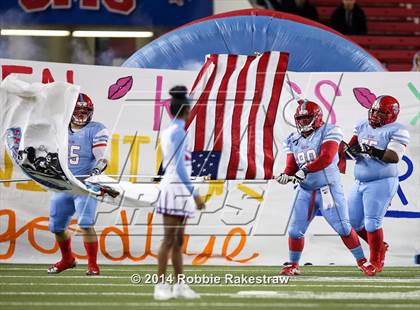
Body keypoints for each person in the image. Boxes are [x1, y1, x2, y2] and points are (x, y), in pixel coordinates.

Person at [276, 99, 375, 276]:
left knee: (344, 228)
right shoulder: (293, 139)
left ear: (317, 117)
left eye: (306, 118)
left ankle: (362, 261)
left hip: (327, 189)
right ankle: (293, 264)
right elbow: (291, 166)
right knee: (294, 230)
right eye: (300, 118)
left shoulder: (330, 130)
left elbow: (326, 158)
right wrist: (286, 174)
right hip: (305, 190)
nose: (303, 122)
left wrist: (304, 170)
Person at [344, 95, 410, 273]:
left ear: (391, 115)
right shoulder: (362, 126)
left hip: (382, 181)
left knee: (373, 222)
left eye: (381, 113)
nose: (375, 115)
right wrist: (346, 150)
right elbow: (349, 151)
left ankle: (375, 262)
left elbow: (393, 157)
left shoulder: (397, 130)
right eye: (374, 111)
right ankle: (380, 246)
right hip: (360, 181)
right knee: (352, 222)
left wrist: (369, 150)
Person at [153, 85, 206, 300]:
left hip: (179, 187)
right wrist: (194, 192)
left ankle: (180, 284)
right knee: (169, 239)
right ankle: (160, 285)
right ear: (186, 111)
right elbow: (179, 166)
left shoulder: (174, 130)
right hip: (176, 187)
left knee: (178, 240)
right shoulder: (176, 132)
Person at [47, 93, 109, 276]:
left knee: (85, 224)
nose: (81, 114)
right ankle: (68, 259)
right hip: (64, 184)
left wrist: (96, 172)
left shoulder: (96, 129)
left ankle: (93, 265)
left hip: (84, 185)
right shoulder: (59, 128)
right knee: (57, 227)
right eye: (77, 110)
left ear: (91, 112)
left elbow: (103, 158)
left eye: (85, 110)